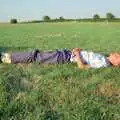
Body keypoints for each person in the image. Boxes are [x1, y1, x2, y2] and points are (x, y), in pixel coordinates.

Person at [1, 48, 120, 69]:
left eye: (119, 57)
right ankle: (8, 57)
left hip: (65, 57)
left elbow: (82, 67)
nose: (117, 54)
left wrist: (77, 54)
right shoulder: (104, 58)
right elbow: (88, 57)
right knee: (39, 54)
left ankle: (8, 58)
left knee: (36, 55)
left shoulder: (103, 63)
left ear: (116, 63)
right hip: (67, 53)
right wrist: (79, 50)